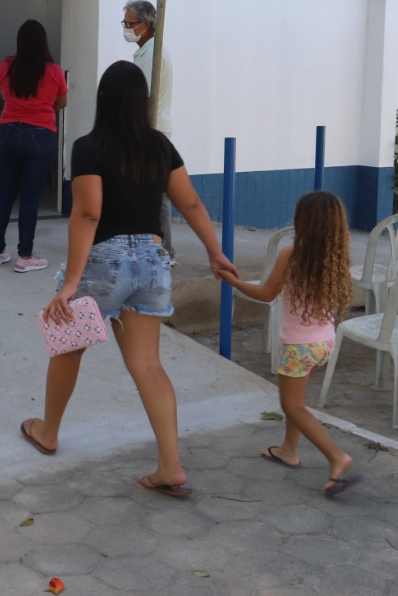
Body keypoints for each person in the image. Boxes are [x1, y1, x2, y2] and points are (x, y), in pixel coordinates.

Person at [19, 61, 239, 498]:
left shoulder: (88, 147)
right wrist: (215, 252)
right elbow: (190, 202)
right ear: (144, 103)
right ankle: (170, 465)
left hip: (105, 261)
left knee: (68, 348)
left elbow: (88, 213)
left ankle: (48, 431)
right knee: (148, 365)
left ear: (102, 99)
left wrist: (70, 283)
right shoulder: (160, 146)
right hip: (153, 262)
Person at [215, 191, 361, 497]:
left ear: (303, 223)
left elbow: (267, 294)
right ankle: (288, 450)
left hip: (298, 346)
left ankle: (336, 457)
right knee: (297, 402)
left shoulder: (292, 255)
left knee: (290, 405)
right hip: (324, 342)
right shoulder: (338, 251)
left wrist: (232, 281)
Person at [0, 20, 68, 272]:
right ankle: (25, 257)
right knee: (30, 198)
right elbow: (62, 101)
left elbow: (2, 92)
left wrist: (20, 108)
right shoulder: (54, 71)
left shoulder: (6, 65)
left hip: (8, 132)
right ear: (44, 42)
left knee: (5, 194)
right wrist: (41, 110)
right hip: (41, 134)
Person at [122, 0, 175, 259]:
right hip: (148, 129)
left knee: (156, 194)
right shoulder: (146, 50)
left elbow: (143, 99)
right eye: (125, 23)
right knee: (150, 193)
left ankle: (164, 251)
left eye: (130, 24)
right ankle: (157, 249)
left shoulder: (152, 54)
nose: (126, 28)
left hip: (149, 131)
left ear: (146, 24)